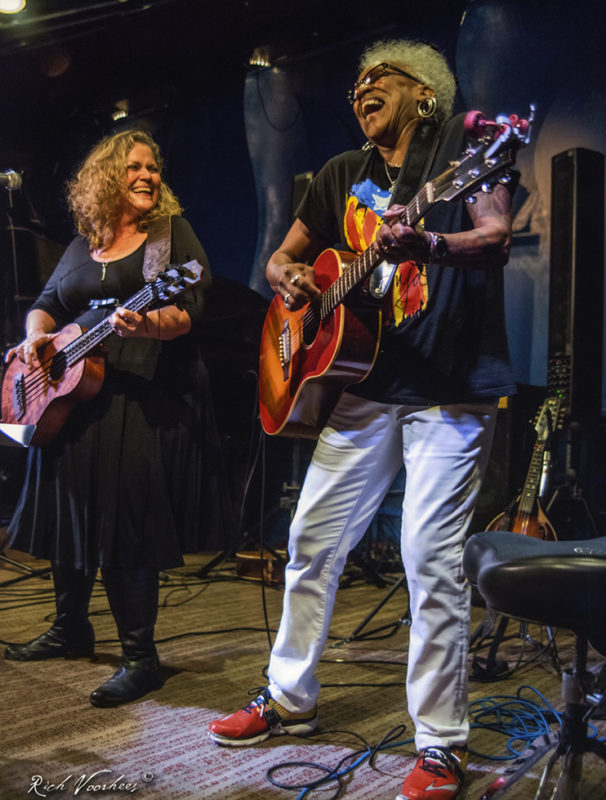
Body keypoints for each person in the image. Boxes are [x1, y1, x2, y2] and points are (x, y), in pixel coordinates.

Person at [208, 39, 518, 800]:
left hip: (449, 386)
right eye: (355, 85)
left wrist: (430, 242)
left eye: (379, 80)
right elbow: (287, 258)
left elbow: (495, 235)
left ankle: (441, 742)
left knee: (427, 559)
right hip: (363, 384)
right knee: (310, 539)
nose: (360, 90)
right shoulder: (344, 175)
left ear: (425, 93)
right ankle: (289, 698)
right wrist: (290, 283)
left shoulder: (467, 149)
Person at [4, 129, 227, 708]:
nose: (148, 175)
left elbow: (191, 307)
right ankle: (70, 628)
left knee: (125, 524)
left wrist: (149, 324)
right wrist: (35, 341)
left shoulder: (166, 237)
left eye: (153, 167)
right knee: (67, 514)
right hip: (70, 396)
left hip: (139, 396)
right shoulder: (87, 240)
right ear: (106, 177)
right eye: (134, 167)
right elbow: (46, 305)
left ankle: (140, 658)